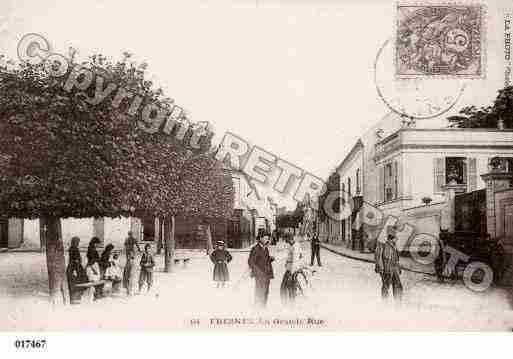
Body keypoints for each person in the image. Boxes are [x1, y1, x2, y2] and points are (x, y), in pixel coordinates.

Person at [375, 225, 403, 301]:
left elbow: (396, 258)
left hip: (394, 269)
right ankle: (384, 303)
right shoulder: (382, 244)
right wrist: (380, 267)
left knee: (398, 285)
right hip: (386, 268)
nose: (396, 237)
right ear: (391, 235)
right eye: (395, 234)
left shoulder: (394, 245)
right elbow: (378, 256)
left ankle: (398, 303)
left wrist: (398, 267)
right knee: (386, 286)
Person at [248, 234, 275, 308]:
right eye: (266, 238)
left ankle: (263, 308)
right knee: (259, 292)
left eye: (268, 238)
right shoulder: (256, 248)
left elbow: (263, 259)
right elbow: (251, 262)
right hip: (260, 275)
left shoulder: (265, 248)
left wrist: (270, 258)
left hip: (267, 274)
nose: (267, 240)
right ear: (261, 238)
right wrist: (258, 272)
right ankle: (258, 309)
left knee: (265, 292)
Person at [280, 235, 304, 305]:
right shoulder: (293, 245)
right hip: (290, 268)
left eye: (288, 241)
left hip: (292, 269)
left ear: (291, 239)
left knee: (287, 286)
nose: (287, 243)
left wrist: (291, 273)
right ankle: (290, 301)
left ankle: (290, 302)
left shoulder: (295, 247)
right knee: (288, 286)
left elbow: (295, 260)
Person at [66, 236, 87, 301]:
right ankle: (76, 292)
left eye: (78, 242)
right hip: (74, 264)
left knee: (79, 275)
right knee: (79, 275)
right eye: (77, 242)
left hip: (75, 264)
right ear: (74, 242)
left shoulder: (72, 248)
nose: (78, 243)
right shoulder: (73, 249)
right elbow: (75, 257)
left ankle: (77, 291)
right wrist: (77, 260)